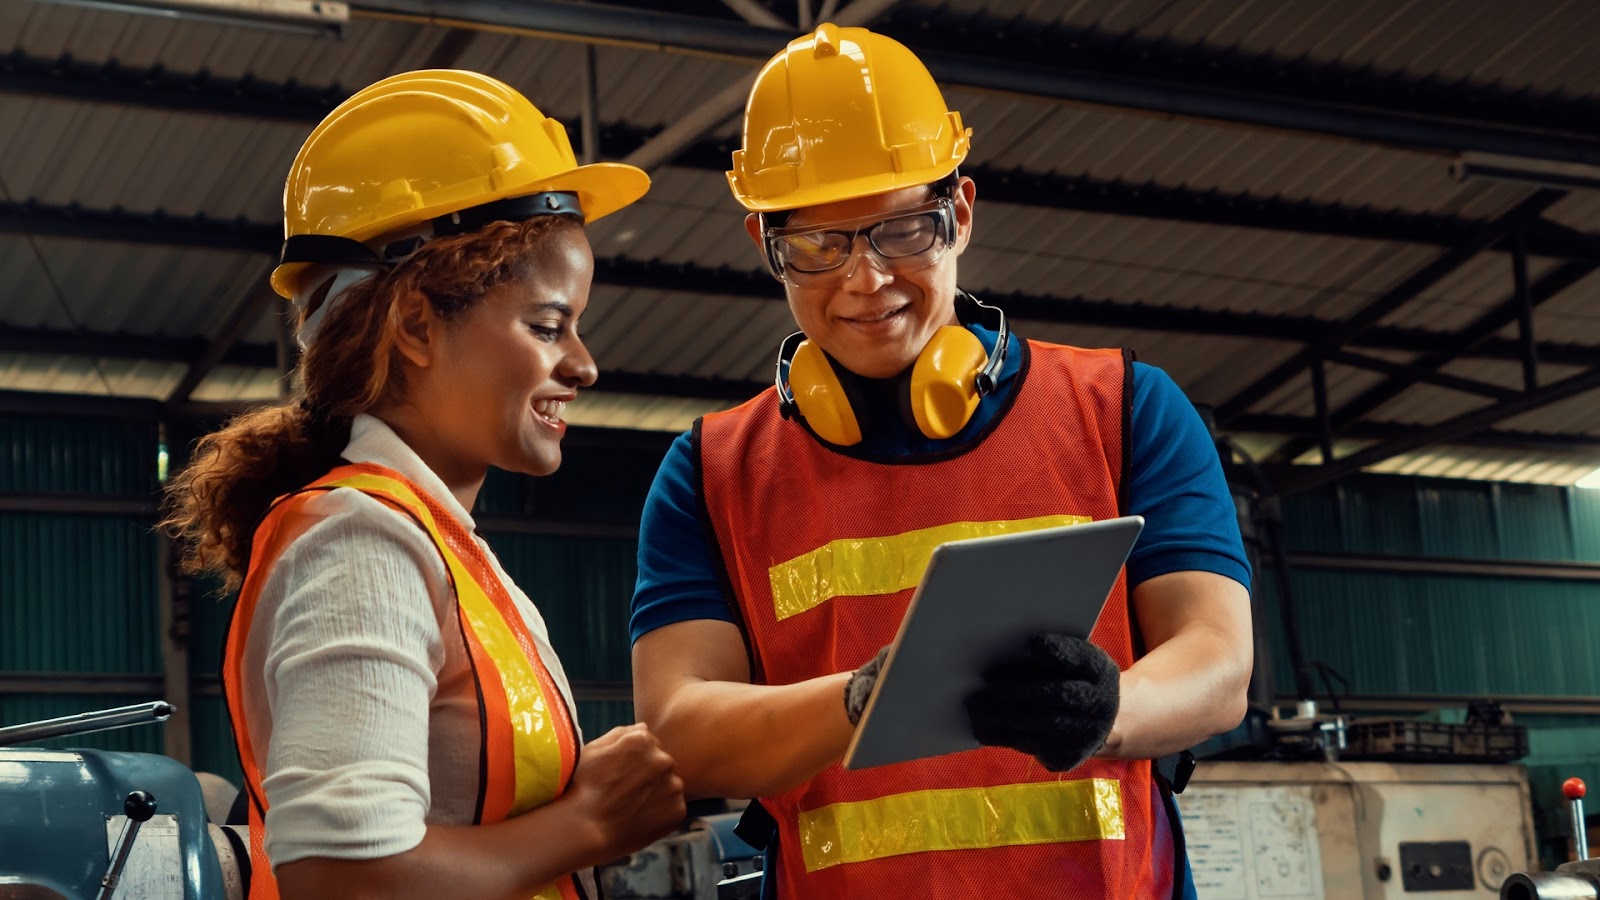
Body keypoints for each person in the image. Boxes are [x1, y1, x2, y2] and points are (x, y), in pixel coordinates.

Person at [629, 24, 1253, 899]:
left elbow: (1219, 664)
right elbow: (680, 728)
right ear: (764, 244)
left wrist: (1112, 711)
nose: (865, 279)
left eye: (903, 231)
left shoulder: (1122, 409)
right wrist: (856, 700)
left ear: (959, 211)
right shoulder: (711, 471)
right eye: (818, 245)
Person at [163, 70, 684, 900]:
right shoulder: (359, 542)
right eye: (548, 325)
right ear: (412, 325)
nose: (582, 365)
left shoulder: (439, 548)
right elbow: (341, 878)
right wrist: (589, 822)